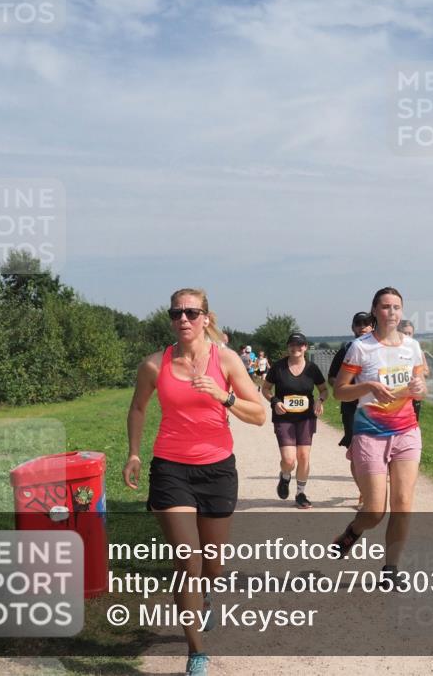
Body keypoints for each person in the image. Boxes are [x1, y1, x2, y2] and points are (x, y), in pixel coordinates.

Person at [123, 288, 266, 676]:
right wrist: (134, 453)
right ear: (171, 319)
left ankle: (205, 597)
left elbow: (259, 415)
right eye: (176, 313)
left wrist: (224, 396)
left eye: (191, 312)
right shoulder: (154, 364)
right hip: (171, 469)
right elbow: (138, 408)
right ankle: (196, 651)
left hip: (217, 470)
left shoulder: (226, 360)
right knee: (189, 560)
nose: (183, 319)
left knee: (212, 566)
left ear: (205, 317)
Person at [331, 287, 427, 585]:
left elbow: (421, 386)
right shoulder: (360, 348)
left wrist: (420, 389)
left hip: (406, 431)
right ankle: (353, 531)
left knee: (403, 503)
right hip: (370, 434)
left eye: (396, 307)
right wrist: (368, 386)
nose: (391, 312)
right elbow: (339, 391)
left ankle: (391, 569)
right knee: (374, 511)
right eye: (385, 307)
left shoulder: (412, 347)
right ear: (375, 310)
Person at [262, 332, 328, 509]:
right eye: (292, 344)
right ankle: (285, 476)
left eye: (299, 345)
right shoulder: (278, 367)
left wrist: (320, 400)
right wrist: (274, 401)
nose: (295, 348)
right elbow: (266, 389)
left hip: (306, 417)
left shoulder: (312, 369)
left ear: (305, 347)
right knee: (289, 460)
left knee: (304, 456)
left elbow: (324, 389)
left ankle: (300, 493)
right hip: (284, 417)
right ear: (288, 347)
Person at [328, 312, 375, 507]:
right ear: (353, 327)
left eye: (367, 323)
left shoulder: (381, 349)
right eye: (358, 323)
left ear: (373, 326)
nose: (362, 327)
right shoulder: (347, 349)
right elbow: (332, 377)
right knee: (356, 453)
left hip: (377, 408)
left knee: (377, 452)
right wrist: (347, 390)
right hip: (352, 409)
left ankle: (375, 490)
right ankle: (364, 493)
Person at [398, 319, 428, 422]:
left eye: (409, 333)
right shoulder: (391, 350)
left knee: (413, 421)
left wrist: (416, 374)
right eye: (404, 333)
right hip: (396, 394)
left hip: (413, 393)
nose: (407, 336)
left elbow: (426, 371)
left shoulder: (417, 351)